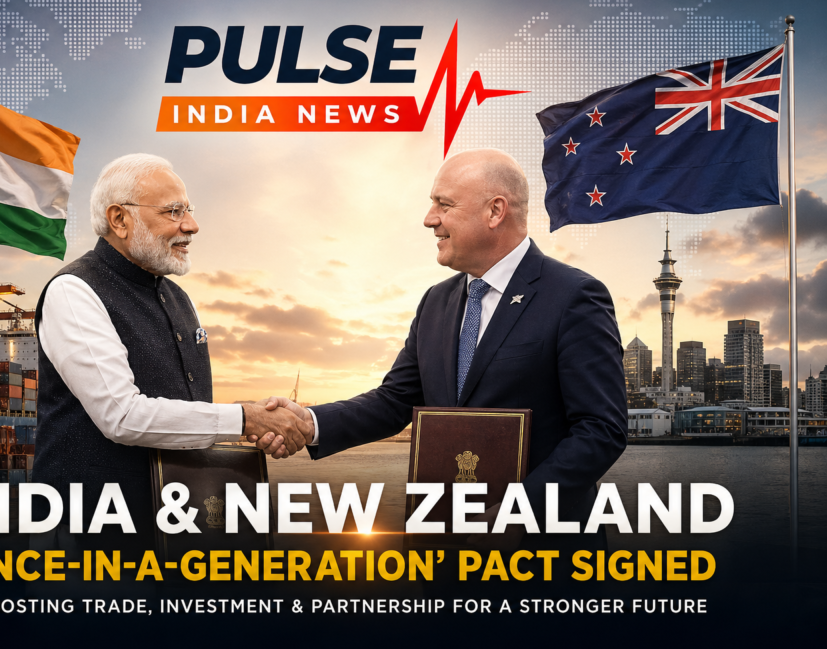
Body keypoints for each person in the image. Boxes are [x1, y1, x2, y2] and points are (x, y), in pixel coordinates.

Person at [258, 148, 627, 549]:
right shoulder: (436, 301)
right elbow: (394, 401)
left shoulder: (574, 296)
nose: (429, 218)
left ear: (495, 211)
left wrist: (518, 512)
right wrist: (310, 423)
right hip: (442, 547)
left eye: (443, 204)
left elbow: (601, 429)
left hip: (545, 559)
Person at [32, 153, 309, 543]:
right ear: (119, 219)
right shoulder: (74, 291)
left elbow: (187, 411)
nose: (192, 226)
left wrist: (254, 423)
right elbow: (122, 416)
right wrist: (246, 419)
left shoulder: (180, 299)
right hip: (90, 544)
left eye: (189, 210)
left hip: (173, 537)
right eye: (174, 211)